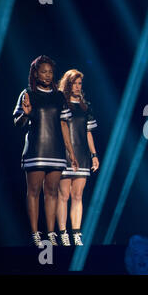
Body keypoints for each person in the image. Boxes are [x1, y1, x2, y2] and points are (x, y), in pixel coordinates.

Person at [13, 55, 78, 246]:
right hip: (35, 149)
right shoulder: (28, 94)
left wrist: (71, 153)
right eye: (44, 72)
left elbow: (64, 125)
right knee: (33, 191)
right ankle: (35, 233)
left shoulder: (59, 96)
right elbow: (18, 123)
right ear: (35, 73)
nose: (48, 75)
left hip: (56, 150)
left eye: (50, 72)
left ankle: (51, 234)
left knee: (52, 192)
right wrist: (25, 114)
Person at [56, 69, 99, 246]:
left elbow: (88, 132)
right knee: (63, 195)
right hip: (63, 154)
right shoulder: (60, 104)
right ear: (67, 84)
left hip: (82, 154)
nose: (77, 86)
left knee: (78, 195)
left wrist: (94, 155)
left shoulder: (85, 106)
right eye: (74, 82)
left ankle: (76, 233)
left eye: (80, 83)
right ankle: (63, 233)